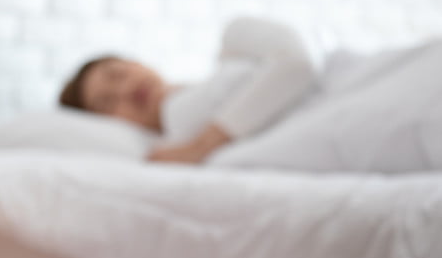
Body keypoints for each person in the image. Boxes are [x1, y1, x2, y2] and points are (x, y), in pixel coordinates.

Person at [59, 17, 321, 163]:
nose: (126, 90)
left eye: (118, 74)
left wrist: (203, 144)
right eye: (107, 102)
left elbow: (296, 63)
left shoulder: (232, 45)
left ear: (135, 62)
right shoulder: (167, 147)